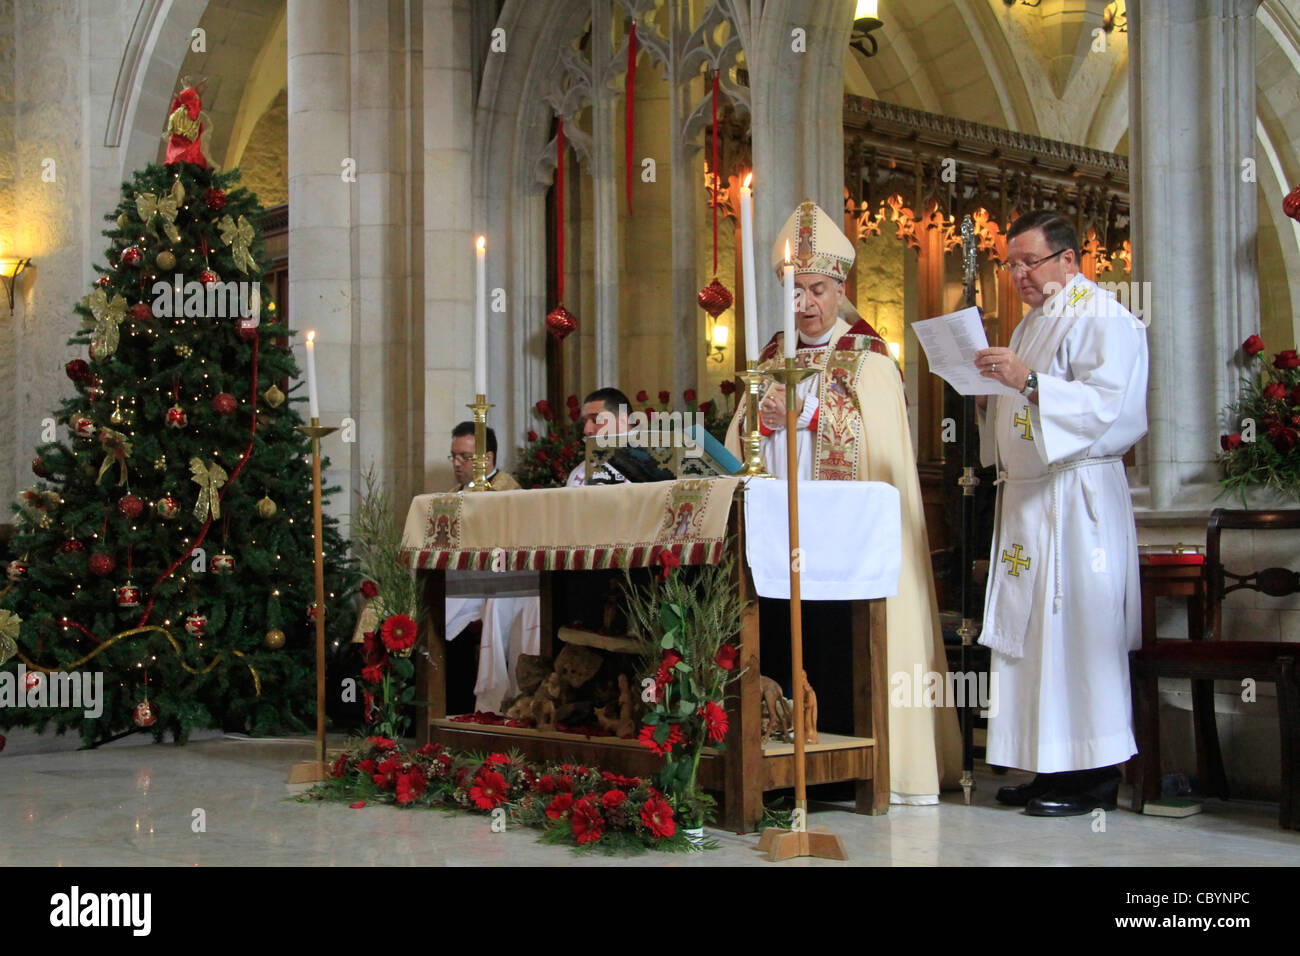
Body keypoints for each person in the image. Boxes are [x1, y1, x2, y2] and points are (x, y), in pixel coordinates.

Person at [724, 199, 960, 805]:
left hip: (840, 538)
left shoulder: (868, 356)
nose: (803, 304)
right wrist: (760, 416)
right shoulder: (773, 355)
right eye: (794, 290)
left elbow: (878, 445)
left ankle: (851, 765)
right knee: (773, 632)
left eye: (817, 290)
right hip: (776, 529)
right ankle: (777, 761)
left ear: (841, 288)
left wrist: (801, 411)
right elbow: (736, 442)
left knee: (836, 640)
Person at [973, 208, 1148, 817]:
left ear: (1069, 260)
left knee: (1076, 635)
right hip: (1028, 497)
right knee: (1030, 639)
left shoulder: (1105, 317)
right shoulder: (1029, 326)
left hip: (1077, 501)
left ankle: (1092, 779)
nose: (1018, 273)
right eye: (1010, 263)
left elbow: (1110, 407)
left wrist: (1031, 385)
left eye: (1029, 261)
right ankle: (1047, 766)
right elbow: (1016, 403)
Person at [566, 388, 632, 486]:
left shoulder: (652, 468)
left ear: (622, 421)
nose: (587, 430)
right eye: (584, 422)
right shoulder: (579, 473)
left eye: (596, 420)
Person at [448, 422, 520, 491]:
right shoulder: (454, 493)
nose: (455, 463)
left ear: (487, 459)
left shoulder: (508, 494)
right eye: (453, 456)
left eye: (465, 457)